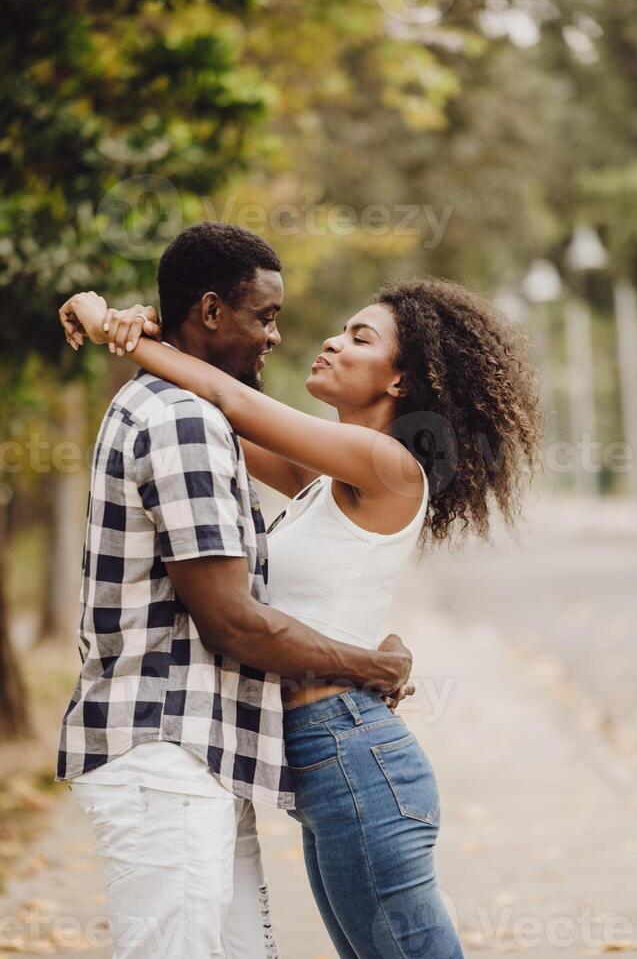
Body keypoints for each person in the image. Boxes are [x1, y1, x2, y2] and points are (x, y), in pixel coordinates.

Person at [61, 234, 541, 958]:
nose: (326, 339)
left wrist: (112, 330)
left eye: (359, 337)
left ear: (400, 382)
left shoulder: (387, 464)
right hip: (322, 763)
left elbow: (224, 394)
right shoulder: (322, 482)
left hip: (351, 752)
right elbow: (211, 401)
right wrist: (152, 325)